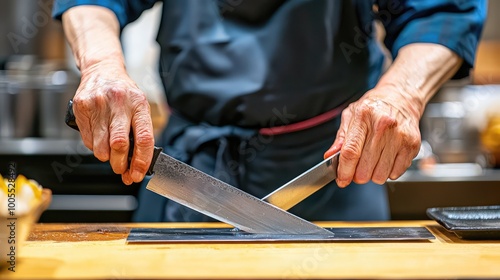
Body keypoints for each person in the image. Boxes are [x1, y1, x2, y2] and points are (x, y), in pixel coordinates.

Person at [53, 1, 486, 222]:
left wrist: (401, 94)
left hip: (335, 169)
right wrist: (101, 66)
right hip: (191, 172)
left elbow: (441, 10)